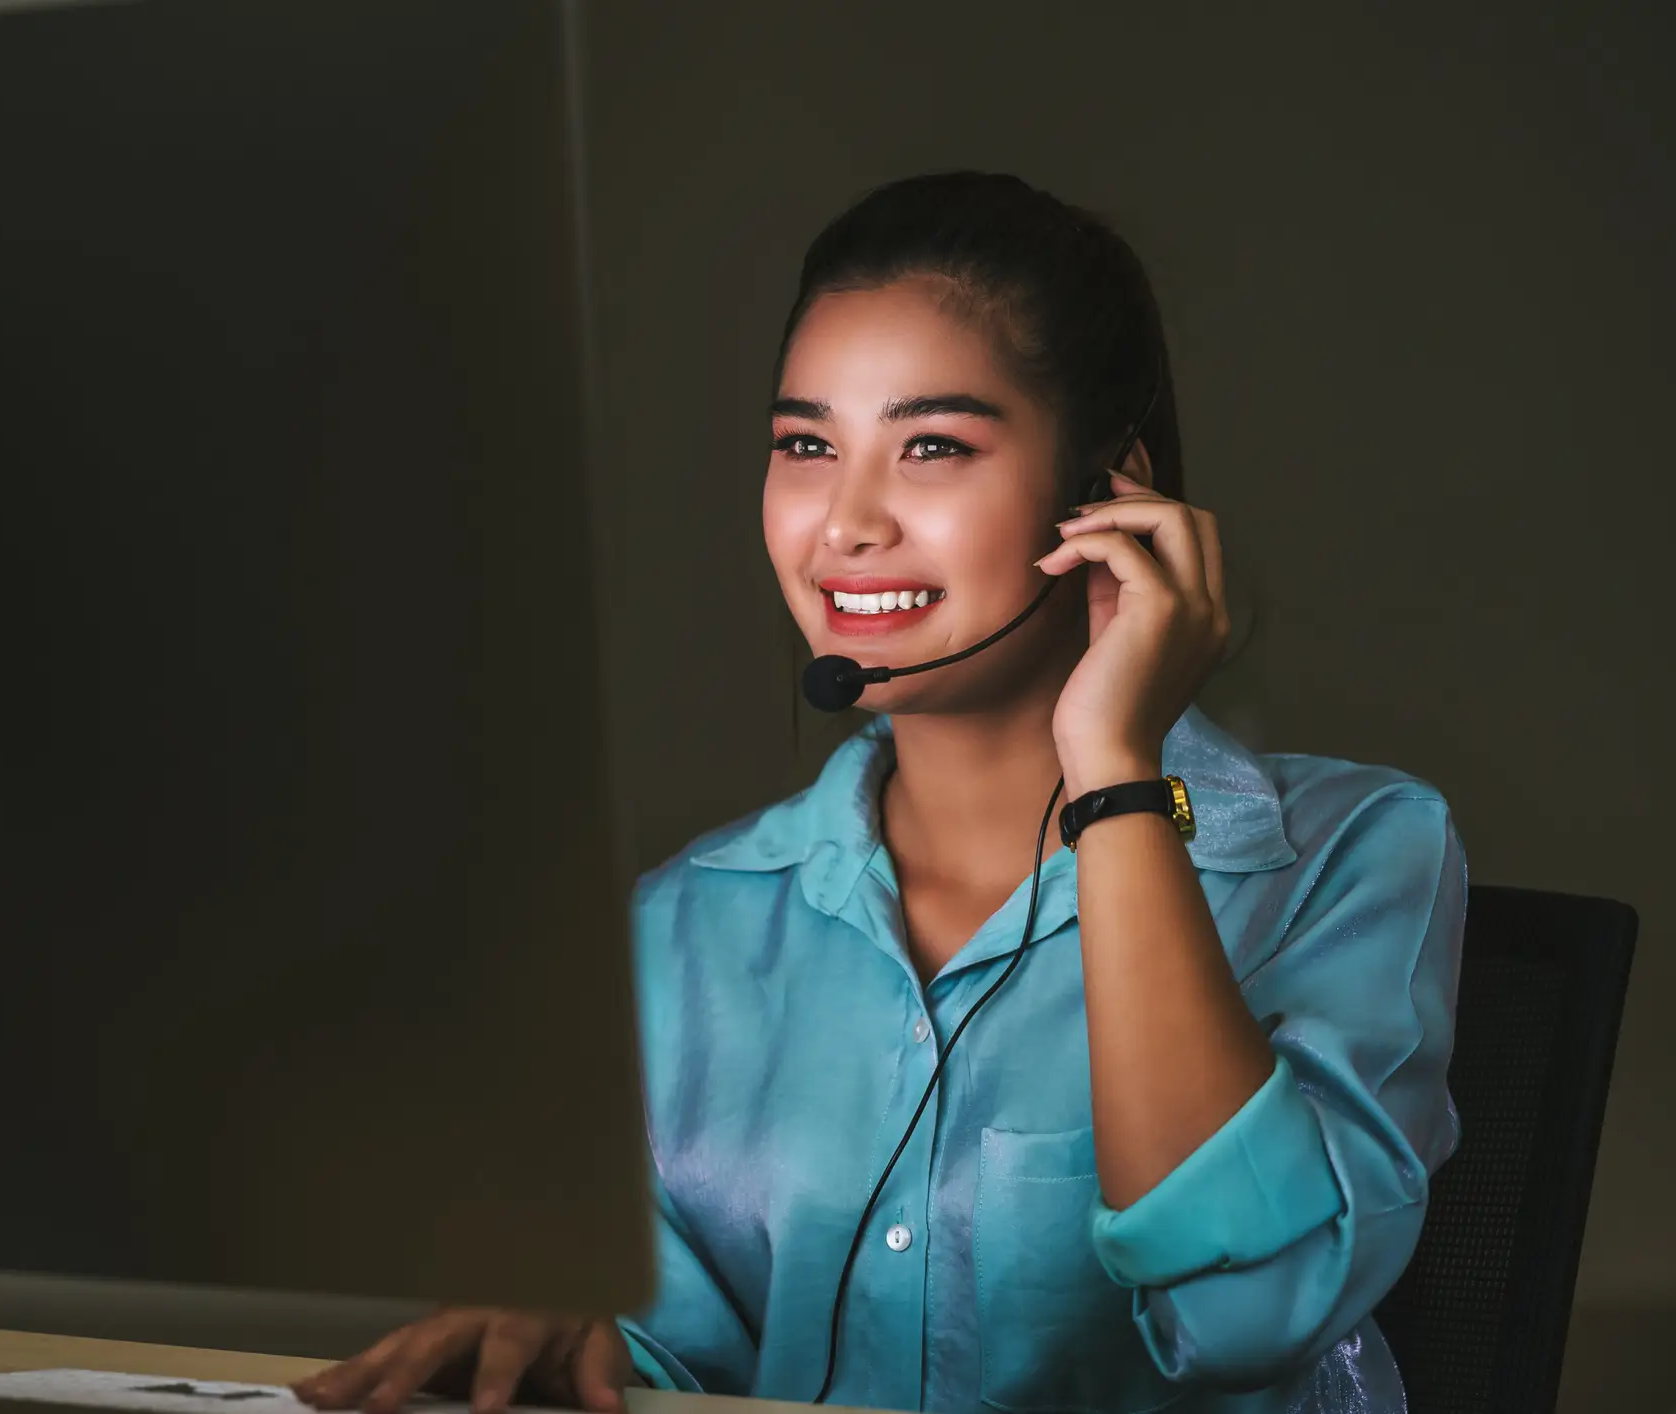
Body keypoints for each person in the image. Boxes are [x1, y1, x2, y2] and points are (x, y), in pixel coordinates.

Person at [294, 171, 1465, 1414]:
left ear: (1109, 497)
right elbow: (671, 1356)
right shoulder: (681, 930)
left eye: (933, 447)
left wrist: (1117, 770)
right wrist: (566, 1333)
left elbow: (1246, 1313)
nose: (845, 524)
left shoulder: (1352, 852)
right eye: (806, 446)